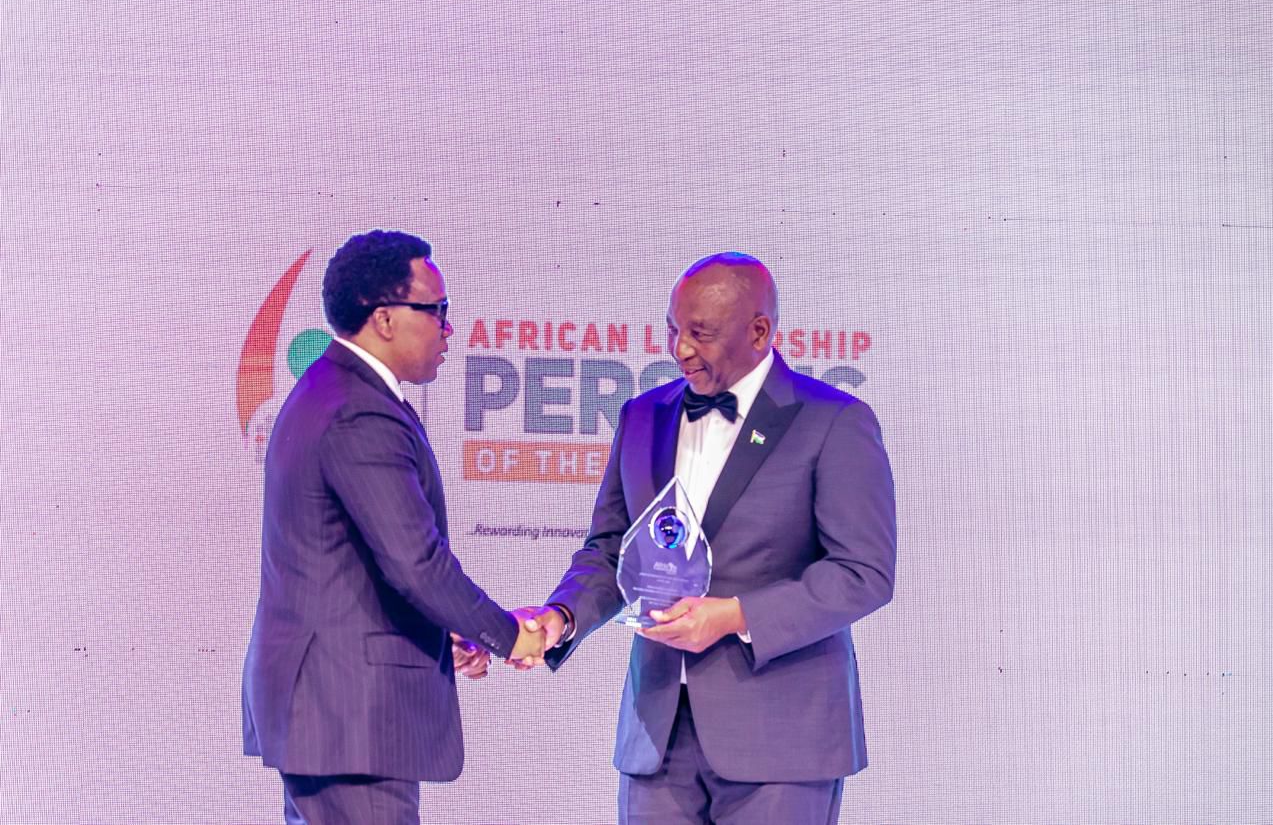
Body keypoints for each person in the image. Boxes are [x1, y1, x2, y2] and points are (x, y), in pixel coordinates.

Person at [517, 252, 896, 824]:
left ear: (759, 332)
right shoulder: (643, 416)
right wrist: (561, 616)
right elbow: (612, 549)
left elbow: (863, 572)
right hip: (656, 735)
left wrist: (734, 615)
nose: (680, 349)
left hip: (782, 741)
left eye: (701, 333)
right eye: (673, 329)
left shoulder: (833, 420)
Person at [242, 230, 544, 824]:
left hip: (332, 713)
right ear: (383, 318)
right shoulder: (359, 410)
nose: (448, 328)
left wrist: (442, 629)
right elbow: (415, 563)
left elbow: (358, 562)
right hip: (349, 717)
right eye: (437, 310)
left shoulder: (331, 392)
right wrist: (507, 635)